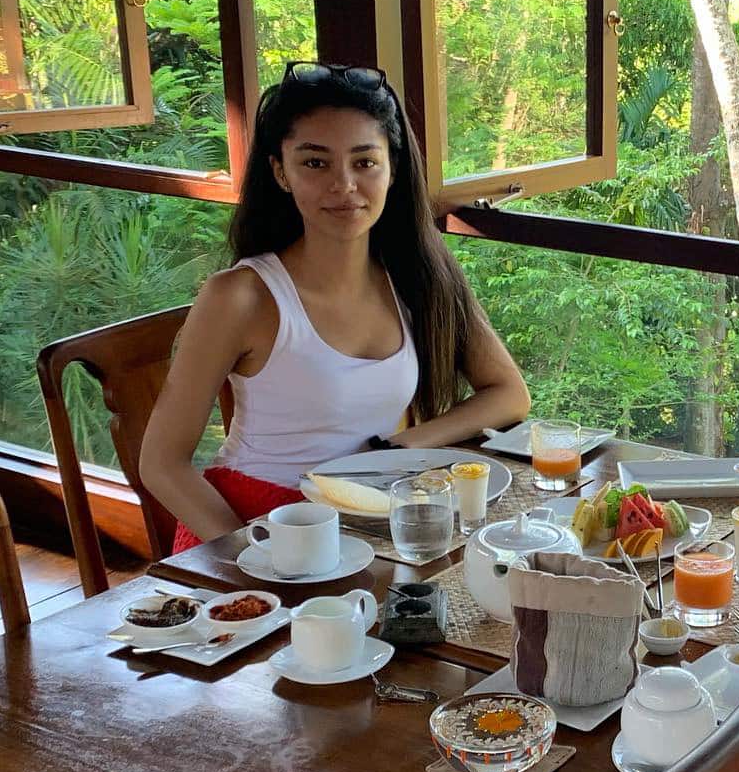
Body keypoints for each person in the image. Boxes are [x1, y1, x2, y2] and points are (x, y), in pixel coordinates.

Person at [141, 62, 530, 548]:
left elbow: (510, 394)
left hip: (367, 518)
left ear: (393, 168)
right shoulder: (240, 296)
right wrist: (254, 554)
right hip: (257, 520)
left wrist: (405, 446)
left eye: (365, 162)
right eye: (315, 162)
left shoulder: (419, 275)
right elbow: (161, 462)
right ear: (280, 172)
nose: (344, 184)